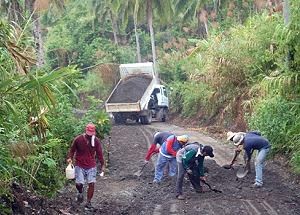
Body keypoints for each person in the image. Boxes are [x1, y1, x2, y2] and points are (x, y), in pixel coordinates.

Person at [67, 123, 105, 209]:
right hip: (80, 164)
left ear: (94, 132)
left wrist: (103, 165)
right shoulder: (78, 139)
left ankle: (88, 202)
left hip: (91, 165)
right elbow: (72, 150)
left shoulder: (96, 141)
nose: (89, 136)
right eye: (88, 134)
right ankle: (80, 192)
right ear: (86, 131)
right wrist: (70, 158)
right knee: (79, 184)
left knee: (91, 183)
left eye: (91, 134)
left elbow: (100, 154)